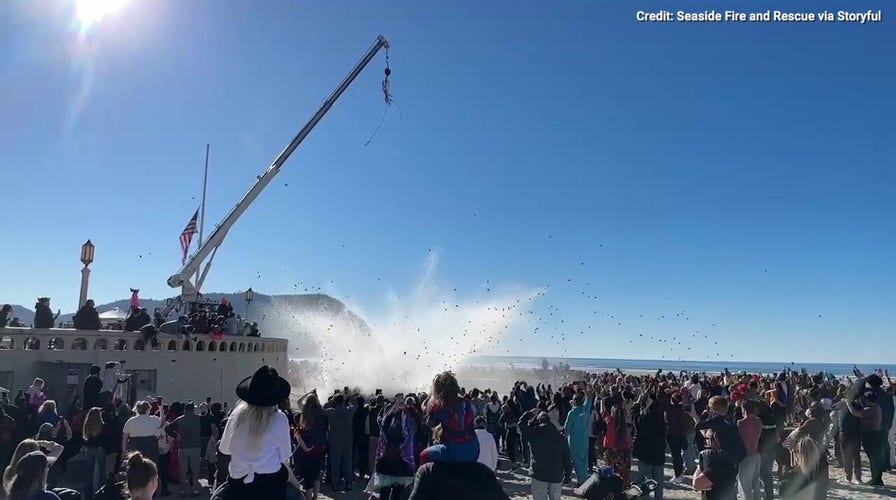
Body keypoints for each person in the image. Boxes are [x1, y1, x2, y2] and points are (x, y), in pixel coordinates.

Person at [218, 366, 301, 499]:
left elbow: (225, 449)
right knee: (297, 492)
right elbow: (284, 455)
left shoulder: (236, 416)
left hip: (238, 482)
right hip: (270, 483)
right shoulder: (280, 419)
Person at [420, 372, 479, 464]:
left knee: (424, 455)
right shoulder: (468, 403)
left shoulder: (441, 407)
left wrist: (427, 403)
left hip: (454, 452)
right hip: (474, 450)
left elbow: (430, 423)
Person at [518, 409, 571, 500]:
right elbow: (566, 458)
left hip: (539, 473)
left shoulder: (534, 434)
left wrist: (530, 413)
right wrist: (568, 474)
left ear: (538, 421)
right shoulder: (560, 438)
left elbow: (521, 424)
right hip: (556, 474)